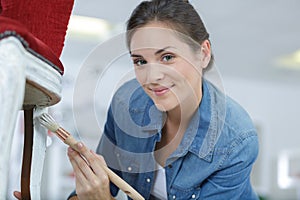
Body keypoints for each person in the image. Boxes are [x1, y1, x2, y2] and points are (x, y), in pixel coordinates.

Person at [67, 0, 259, 199]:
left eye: (167, 57)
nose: (152, 78)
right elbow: (96, 187)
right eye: (140, 61)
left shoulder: (236, 139)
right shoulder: (125, 104)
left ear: (203, 54)